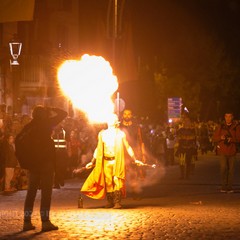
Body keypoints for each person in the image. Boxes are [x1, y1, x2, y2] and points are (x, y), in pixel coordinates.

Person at [80, 113, 143, 209]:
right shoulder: (102, 134)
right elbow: (98, 149)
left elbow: (128, 147)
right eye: (109, 119)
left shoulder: (121, 134)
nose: (109, 120)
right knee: (108, 181)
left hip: (117, 161)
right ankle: (110, 201)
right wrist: (92, 162)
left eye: (112, 119)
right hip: (106, 161)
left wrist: (135, 159)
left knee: (117, 180)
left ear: (116, 122)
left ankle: (117, 202)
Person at [20, 105, 67, 231]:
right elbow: (63, 113)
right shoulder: (47, 123)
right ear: (43, 115)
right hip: (46, 164)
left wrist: (24, 161)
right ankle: (45, 222)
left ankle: (26, 221)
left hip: (33, 165)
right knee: (46, 194)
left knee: (31, 193)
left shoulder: (28, 127)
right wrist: (51, 108)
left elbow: (18, 140)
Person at [119, 109, 147, 198]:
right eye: (125, 114)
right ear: (122, 115)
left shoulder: (136, 127)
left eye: (129, 114)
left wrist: (143, 154)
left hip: (134, 152)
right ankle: (119, 193)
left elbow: (141, 140)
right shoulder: (118, 127)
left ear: (131, 115)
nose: (127, 116)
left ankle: (135, 191)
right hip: (121, 151)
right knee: (120, 172)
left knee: (134, 172)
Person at [212, 111, 240, 193]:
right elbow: (214, 138)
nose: (228, 118)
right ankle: (224, 186)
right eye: (226, 116)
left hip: (232, 151)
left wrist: (231, 139)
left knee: (231, 170)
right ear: (224, 117)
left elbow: (238, 139)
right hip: (223, 151)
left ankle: (229, 187)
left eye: (230, 116)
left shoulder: (236, 126)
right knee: (223, 168)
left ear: (232, 117)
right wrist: (221, 137)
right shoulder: (221, 126)